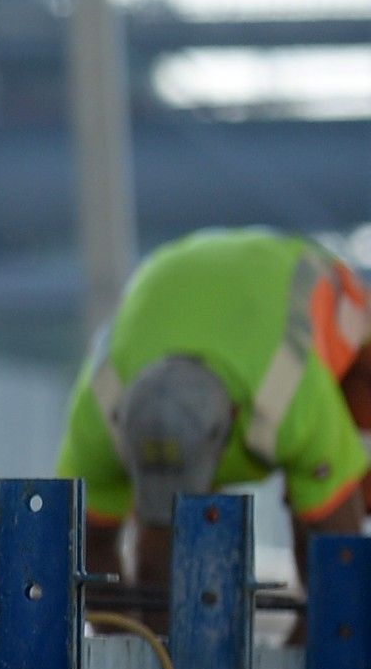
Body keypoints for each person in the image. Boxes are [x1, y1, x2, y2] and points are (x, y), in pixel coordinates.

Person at [56, 227, 371, 600]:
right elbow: (88, 552)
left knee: (330, 496)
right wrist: (136, 646)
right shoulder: (98, 418)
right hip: (174, 286)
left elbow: (339, 567)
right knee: (161, 545)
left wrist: (295, 648)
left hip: (317, 308)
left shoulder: (289, 391)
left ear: (233, 422)